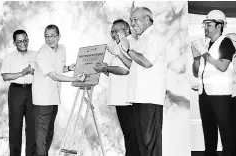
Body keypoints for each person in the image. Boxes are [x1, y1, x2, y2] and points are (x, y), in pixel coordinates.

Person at [118, 7, 167, 156]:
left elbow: (147, 62)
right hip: (138, 98)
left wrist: (128, 50)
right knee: (142, 146)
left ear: (147, 19)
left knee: (150, 144)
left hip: (149, 98)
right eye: (131, 20)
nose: (132, 24)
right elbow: (135, 66)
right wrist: (120, 53)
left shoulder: (155, 36)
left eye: (135, 19)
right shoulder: (142, 39)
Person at [32, 24, 86, 156]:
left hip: (54, 98)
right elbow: (54, 76)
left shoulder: (62, 49)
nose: (49, 39)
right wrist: (75, 80)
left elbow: (58, 69)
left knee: (49, 133)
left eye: (52, 36)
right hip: (42, 100)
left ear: (59, 36)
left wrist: (70, 68)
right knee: (41, 136)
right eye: (46, 36)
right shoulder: (41, 54)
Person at [191, 10, 235, 156]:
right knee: (208, 130)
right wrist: (196, 58)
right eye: (205, 25)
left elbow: (222, 66)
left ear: (219, 26)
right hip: (205, 94)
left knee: (226, 132)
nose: (205, 28)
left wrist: (204, 54)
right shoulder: (206, 44)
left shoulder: (226, 42)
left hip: (221, 95)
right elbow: (196, 72)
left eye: (209, 24)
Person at [94, 19, 140, 156]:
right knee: (129, 136)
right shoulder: (117, 46)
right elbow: (115, 73)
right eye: (111, 31)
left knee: (133, 138)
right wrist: (104, 69)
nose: (113, 34)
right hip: (121, 100)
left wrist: (107, 67)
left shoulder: (130, 44)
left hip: (129, 100)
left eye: (116, 31)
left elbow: (126, 70)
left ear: (126, 31)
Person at [1, 29, 36, 156]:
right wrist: (22, 73)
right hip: (16, 91)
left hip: (33, 91)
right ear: (14, 42)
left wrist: (33, 72)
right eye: (20, 41)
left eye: (25, 40)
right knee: (15, 126)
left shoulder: (36, 55)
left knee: (32, 126)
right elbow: (5, 76)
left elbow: (44, 73)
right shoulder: (9, 57)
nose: (23, 43)